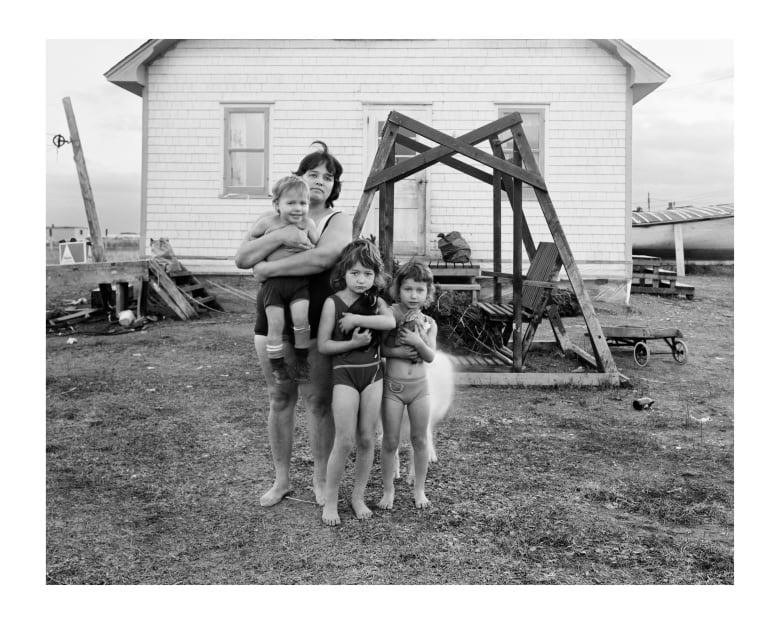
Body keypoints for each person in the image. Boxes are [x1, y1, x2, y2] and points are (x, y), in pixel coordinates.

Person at [234, 141, 351, 507]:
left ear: (334, 186)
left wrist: (268, 267)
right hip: (270, 321)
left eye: (327, 177)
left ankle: (320, 479)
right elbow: (242, 257)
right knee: (280, 397)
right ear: (297, 179)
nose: (319, 181)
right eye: (312, 174)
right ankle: (281, 479)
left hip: (317, 321)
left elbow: (324, 257)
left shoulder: (336, 219)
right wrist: (282, 236)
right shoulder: (274, 219)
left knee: (318, 401)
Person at [317, 239, 396, 526]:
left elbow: (389, 323)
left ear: (376, 276)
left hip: (373, 374)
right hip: (345, 375)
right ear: (344, 273)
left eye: (367, 274)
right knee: (345, 439)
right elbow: (324, 345)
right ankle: (331, 498)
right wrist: (352, 341)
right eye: (355, 273)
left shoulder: (378, 302)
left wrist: (357, 319)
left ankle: (358, 496)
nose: (361, 279)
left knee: (366, 437)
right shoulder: (333, 302)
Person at [378, 260, 438, 510]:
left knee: (420, 439)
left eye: (420, 290)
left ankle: (419, 490)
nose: (414, 295)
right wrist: (403, 351)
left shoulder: (429, 322)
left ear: (428, 293)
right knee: (390, 441)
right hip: (394, 387)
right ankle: (388, 490)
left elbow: (430, 355)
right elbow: (381, 347)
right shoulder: (390, 314)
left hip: (420, 389)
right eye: (408, 289)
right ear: (398, 290)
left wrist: (418, 340)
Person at [248, 175, 319, 383]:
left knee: (301, 321)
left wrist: (309, 245)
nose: (298, 208)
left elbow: (317, 246)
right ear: (276, 204)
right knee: (275, 326)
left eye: (303, 203)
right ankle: (277, 366)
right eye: (291, 203)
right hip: (273, 285)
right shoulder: (267, 222)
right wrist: (266, 248)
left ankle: (301, 361)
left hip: (299, 283)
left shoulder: (308, 223)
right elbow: (252, 239)